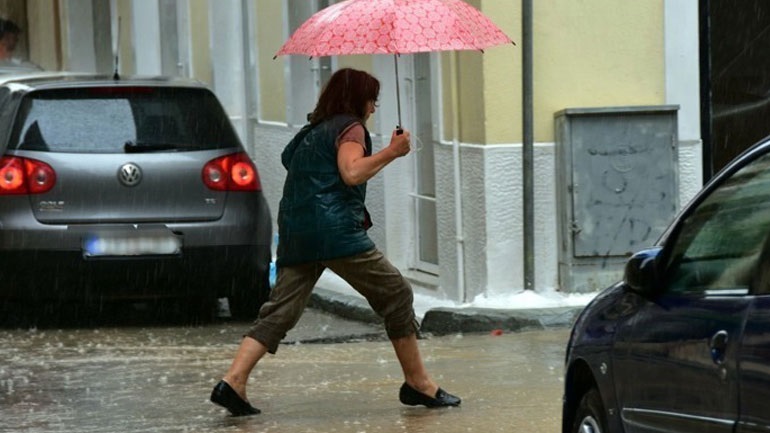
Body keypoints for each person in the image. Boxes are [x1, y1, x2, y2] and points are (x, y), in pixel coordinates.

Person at [210, 68, 461, 416]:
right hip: (335, 232)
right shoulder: (350, 128)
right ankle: (418, 383)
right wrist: (392, 151)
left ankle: (233, 381)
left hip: (299, 232)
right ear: (358, 98)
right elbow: (352, 172)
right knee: (397, 293)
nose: (373, 107)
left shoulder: (312, 131)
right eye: (372, 99)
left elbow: (292, 162)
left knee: (280, 311)